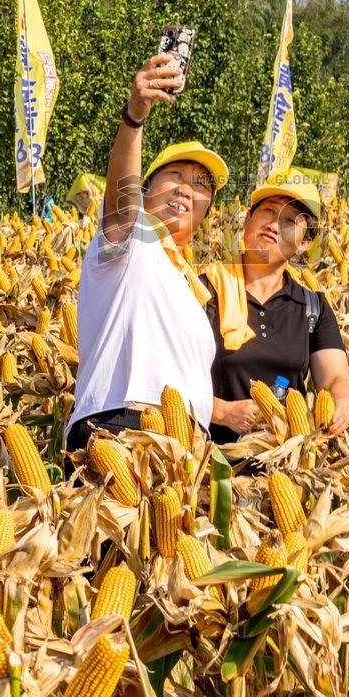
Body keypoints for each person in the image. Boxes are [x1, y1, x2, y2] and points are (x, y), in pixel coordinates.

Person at [65, 51, 228, 452]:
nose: (187, 188)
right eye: (175, 175)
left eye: (200, 184)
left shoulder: (192, 285)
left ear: (207, 208)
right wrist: (134, 118)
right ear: (145, 188)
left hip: (187, 447)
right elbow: (120, 201)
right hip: (119, 426)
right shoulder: (132, 236)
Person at [201, 169, 349, 444]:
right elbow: (166, 377)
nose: (274, 226)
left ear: (305, 242)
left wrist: (342, 404)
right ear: (248, 219)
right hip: (209, 466)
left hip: (285, 465)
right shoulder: (204, 291)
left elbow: (334, 376)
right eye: (268, 212)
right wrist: (221, 411)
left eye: (289, 221)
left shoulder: (313, 307)